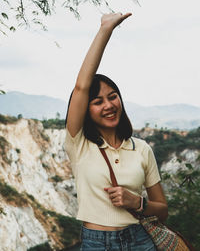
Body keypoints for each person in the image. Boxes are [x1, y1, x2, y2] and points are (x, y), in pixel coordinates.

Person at [65, 12, 168, 251]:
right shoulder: (78, 144)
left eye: (113, 97)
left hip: (141, 240)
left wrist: (138, 202)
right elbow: (81, 86)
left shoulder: (141, 148)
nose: (109, 105)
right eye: (98, 101)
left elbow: (162, 210)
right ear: (86, 110)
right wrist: (106, 30)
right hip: (96, 243)